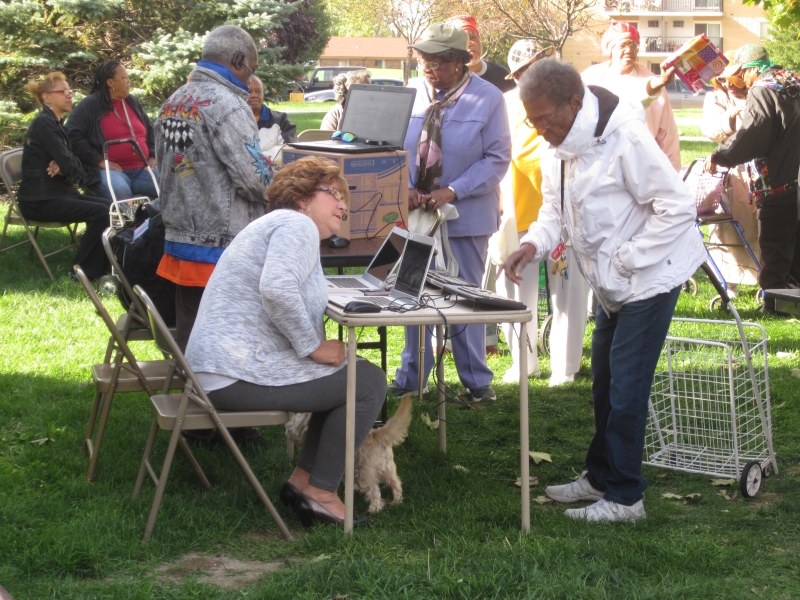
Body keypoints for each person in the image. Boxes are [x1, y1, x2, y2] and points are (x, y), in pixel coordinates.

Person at [499, 59, 705, 522]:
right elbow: (554, 208)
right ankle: (601, 476)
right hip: (614, 281)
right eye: (531, 120)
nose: (539, 128)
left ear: (575, 103)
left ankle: (627, 497)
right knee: (605, 382)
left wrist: (627, 259)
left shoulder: (626, 138)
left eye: (545, 119)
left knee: (627, 387)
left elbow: (676, 206)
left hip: (652, 276)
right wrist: (532, 243)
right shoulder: (558, 144)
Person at [185, 157, 386, 527]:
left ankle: (303, 482)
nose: (343, 205)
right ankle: (321, 493)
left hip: (217, 370)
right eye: (334, 194)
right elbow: (277, 290)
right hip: (230, 375)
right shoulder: (296, 225)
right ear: (301, 197)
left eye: (345, 198)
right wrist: (314, 347)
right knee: (367, 382)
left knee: (345, 377)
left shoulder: (279, 226)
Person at [388, 22, 511, 402]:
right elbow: (389, 148)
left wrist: (452, 191)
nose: (428, 67)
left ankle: (476, 381)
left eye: (438, 61)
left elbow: (497, 158)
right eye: (424, 59)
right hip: (414, 218)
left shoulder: (489, 98)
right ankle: (413, 377)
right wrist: (402, 186)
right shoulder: (410, 94)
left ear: (461, 62)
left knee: (465, 298)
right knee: (412, 294)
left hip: (465, 218)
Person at [155, 24, 274, 351]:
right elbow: (255, 180)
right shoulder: (229, 105)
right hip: (222, 248)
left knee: (192, 338)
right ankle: (218, 400)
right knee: (224, 347)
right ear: (238, 60)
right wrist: (284, 184)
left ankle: (191, 398)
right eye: (252, 71)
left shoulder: (173, 101)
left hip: (181, 241)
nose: (251, 83)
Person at [705, 44, 800, 314]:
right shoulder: (792, 81)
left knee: (775, 244)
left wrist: (721, 155)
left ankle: (775, 305)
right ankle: (793, 299)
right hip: (796, 175)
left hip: (778, 181)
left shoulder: (763, 89)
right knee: (795, 242)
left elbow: (753, 133)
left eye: (741, 73)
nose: (741, 80)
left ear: (751, 70)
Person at [495, 39, 554, 383]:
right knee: (515, 292)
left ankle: (565, 364)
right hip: (516, 207)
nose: (534, 72)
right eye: (527, 68)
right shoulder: (504, 104)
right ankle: (523, 361)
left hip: (556, 209)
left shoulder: (564, 100)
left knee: (566, 299)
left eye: (540, 62)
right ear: (516, 75)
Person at [17, 72, 111, 279]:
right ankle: (82, 272)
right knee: (101, 213)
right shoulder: (44, 124)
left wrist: (66, 165)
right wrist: (66, 165)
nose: (69, 95)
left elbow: (72, 163)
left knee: (108, 206)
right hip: (39, 200)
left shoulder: (56, 124)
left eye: (70, 91)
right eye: (63, 92)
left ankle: (103, 265)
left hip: (58, 193)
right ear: (47, 98)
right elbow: (71, 165)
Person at [581, 22, 681, 171]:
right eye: (623, 45)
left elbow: (667, 134)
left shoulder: (652, 81)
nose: (629, 50)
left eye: (634, 45)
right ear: (610, 48)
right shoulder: (590, 78)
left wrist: (671, 172)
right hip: (597, 163)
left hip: (640, 164)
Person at [67, 60, 158, 200]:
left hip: (143, 170)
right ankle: (131, 222)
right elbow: (71, 136)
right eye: (124, 77)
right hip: (107, 172)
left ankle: (160, 221)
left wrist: (153, 155)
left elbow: (150, 131)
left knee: (172, 181)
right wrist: (99, 161)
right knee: (120, 189)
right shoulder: (90, 105)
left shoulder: (132, 102)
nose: (128, 80)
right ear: (110, 82)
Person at [446, 15, 514, 93]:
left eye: (471, 37)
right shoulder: (445, 83)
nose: (468, 43)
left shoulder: (502, 75)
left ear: (479, 39)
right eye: (461, 41)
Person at [247, 74, 297, 150]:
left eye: (258, 91)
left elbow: (291, 150)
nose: (254, 95)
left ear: (263, 94)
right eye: (249, 91)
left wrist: (262, 159)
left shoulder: (281, 120)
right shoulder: (231, 120)